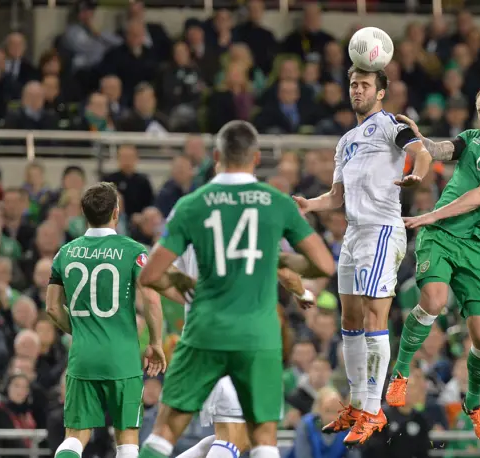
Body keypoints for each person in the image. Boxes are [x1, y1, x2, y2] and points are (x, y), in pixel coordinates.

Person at [138, 120, 335, 458]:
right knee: (259, 440)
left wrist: (187, 287)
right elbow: (324, 265)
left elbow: (151, 274)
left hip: (204, 333)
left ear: (216, 156)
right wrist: (291, 277)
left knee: (167, 432)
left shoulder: (191, 206)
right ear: (257, 158)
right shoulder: (276, 204)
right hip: (257, 337)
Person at [385, 81, 480, 444]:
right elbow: (442, 149)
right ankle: (401, 373)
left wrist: (433, 215)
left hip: (477, 250)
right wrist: (420, 140)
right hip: (440, 237)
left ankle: (473, 404)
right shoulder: (472, 137)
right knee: (434, 300)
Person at [292, 65, 432, 446]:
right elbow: (336, 197)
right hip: (354, 233)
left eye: (365, 85)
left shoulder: (391, 124)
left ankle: (374, 409)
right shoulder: (346, 141)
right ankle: (356, 404)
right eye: (354, 84)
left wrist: (417, 173)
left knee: (374, 315)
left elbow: (419, 152)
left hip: (382, 230)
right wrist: (309, 204)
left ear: (380, 92)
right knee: (350, 319)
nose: (357, 90)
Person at [46, 182, 169, 458]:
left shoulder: (65, 253)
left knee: (75, 437)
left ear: (84, 213)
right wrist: (156, 342)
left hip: (83, 357)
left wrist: (79, 331)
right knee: (127, 438)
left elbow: (53, 309)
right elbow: (151, 299)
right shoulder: (133, 250)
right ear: (116, 212)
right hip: (122, 357)